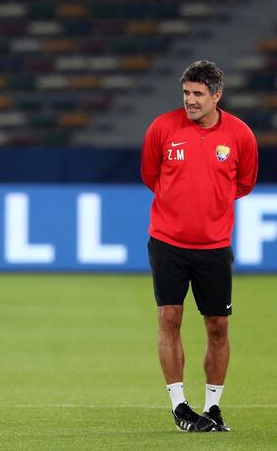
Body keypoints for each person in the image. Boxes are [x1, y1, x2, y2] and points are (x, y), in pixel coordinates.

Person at [141, 60, 258, 432]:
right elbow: (150, 175)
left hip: (214, 246)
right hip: (167, 242)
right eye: (186, 93)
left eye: (198, 94)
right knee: (169, 318)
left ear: (216, 96)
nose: (190, 101)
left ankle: (213, 407)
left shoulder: (240, 135)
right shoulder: (162, 128)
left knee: (218, 325)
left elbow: (244, 183)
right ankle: (179, 406)